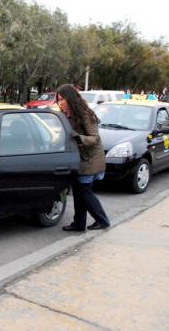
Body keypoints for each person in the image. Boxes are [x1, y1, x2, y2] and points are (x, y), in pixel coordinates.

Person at [56, 84, 111, 231]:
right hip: (78, 160)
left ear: (71, 98)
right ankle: (79, 224)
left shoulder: (85, 114)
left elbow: (94, 138)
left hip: (90, 160)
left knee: (84, 193)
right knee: (79, 193)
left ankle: (102, 220)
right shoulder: (67, 114)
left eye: (63, 99)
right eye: (58, 100)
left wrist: (78, 137)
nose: (60, 102)